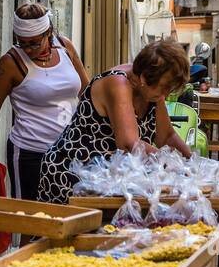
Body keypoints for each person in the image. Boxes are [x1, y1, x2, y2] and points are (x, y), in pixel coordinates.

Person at [37, 39, 193, 203]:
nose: (165, 95)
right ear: (144, 78)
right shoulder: (117, 83)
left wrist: (193, 164)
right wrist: (173, 164)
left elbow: (166, 137)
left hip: (105, 183)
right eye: (164, 87)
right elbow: (129, 144)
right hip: (71, 177)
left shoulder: (152, 90)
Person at [0, 3, 89, 201]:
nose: (28, 49)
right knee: (32, 217)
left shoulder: (65, 47)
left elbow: (87, 94)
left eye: (35, 43)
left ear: (49, 32)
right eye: (23, 42)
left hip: (70, 151)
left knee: (70, 213)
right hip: (30, 153)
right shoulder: (10, 64)